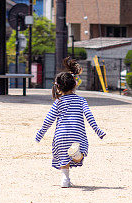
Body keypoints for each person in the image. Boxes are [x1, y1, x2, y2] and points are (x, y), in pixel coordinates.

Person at [36, 58, 106, 188]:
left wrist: (40, 133)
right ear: (75, 85)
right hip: (77, 135)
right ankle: (77, 156)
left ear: (58, 88)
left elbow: (48, 119)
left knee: (63, 155)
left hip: (61, 136)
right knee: (80, 150)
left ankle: (65, 179)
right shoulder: (81, 101)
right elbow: (89, 117)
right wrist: (98, 131)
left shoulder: (58, 102)